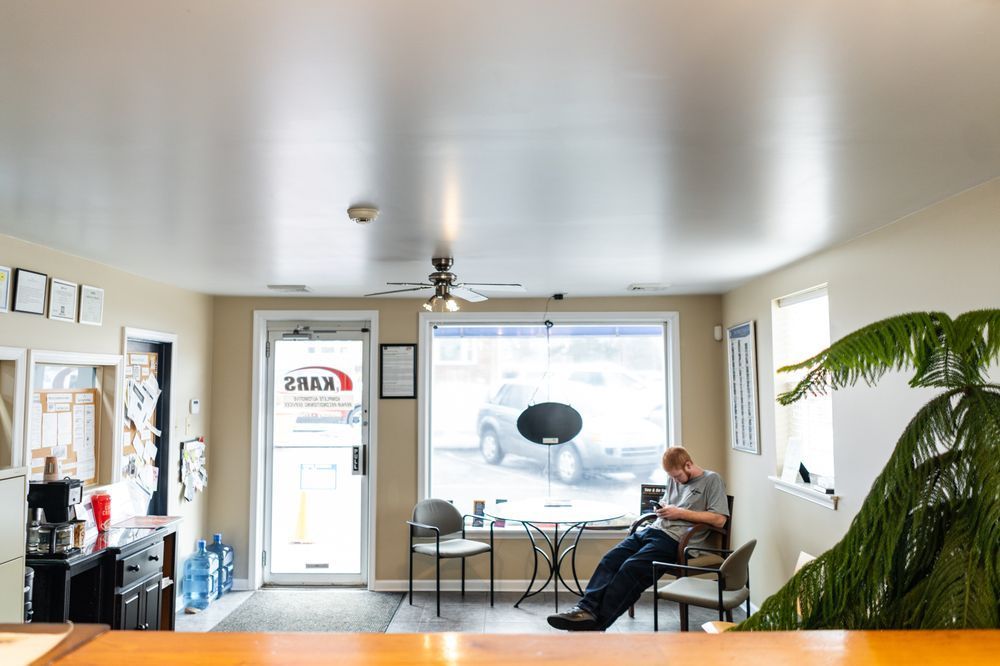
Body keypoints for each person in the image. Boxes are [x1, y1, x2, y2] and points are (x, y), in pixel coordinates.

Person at [547, 446, 729, 631]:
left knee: (631, 568)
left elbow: (719, 519)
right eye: (671, 477)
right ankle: (584, 609)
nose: (674, 480)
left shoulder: (711, 480)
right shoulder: (673, 479)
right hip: (653, 530)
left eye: (677, 476)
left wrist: (680, 512)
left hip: (676, 540)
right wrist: (663, 509)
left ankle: (597, 623)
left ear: (688, 464)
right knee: (610, 559)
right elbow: (670, 503)